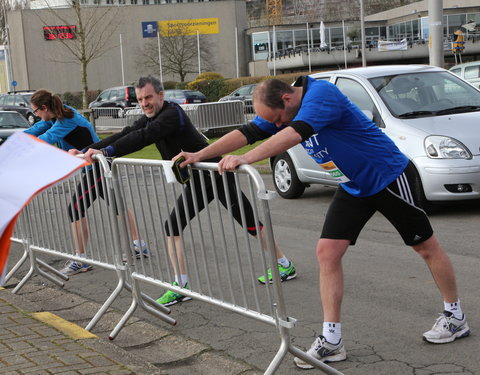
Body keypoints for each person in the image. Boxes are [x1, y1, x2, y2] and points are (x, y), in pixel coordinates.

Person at [174, 77, 470, 368]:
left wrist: (246, 158)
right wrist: (200, 153)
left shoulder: (322, 95)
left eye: (277, 119)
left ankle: (455, 318)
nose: (276, 125)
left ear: (288, 99)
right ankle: (332, 341)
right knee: (327, 252)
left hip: (387, 176)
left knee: (426, 247)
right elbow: (247, 132)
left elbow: (294, 134)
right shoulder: (283, 105)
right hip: (354, 185)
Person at [74, 75, 295, 306]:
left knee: (249, 224)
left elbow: (142, 138)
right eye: (139, 99)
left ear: (160, 95)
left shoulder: (171, 114)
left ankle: (283, 265)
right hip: (198, 181)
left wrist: (108, 152)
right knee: (173, 226)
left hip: (214, 176)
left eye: (148, 97)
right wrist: (87, 150)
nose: (144, 103)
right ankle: (181, 285)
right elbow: (127, 132)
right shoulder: (151, 116)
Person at [26, 89, 145, 276]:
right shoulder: (56, 115)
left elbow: (45, 140)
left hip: (97, 166)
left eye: (36, 111)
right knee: (116, 205)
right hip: (97, 166)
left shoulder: (67, 118)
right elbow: (34, 131)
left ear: (44, 107)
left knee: (75, 208)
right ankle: (139, 245)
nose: (36, 116)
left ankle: (80, 260)